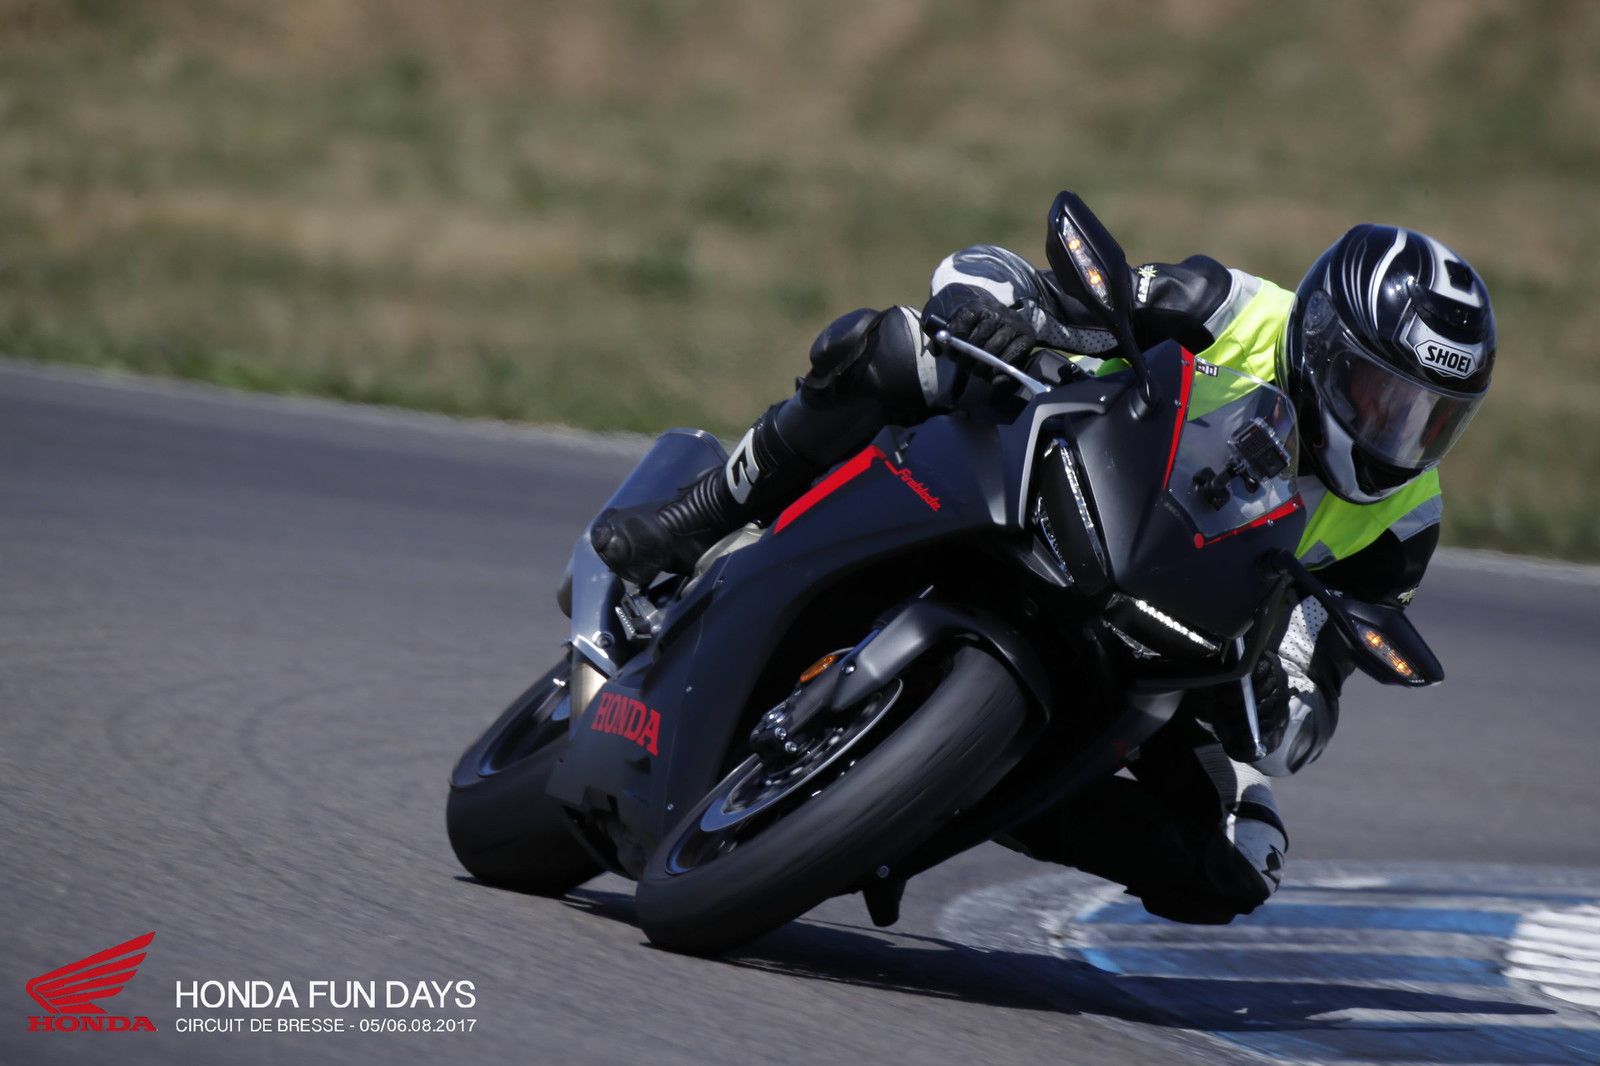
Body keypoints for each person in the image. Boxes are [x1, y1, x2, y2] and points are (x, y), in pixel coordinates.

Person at [590, 199, 1496, 924]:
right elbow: (1029, 284)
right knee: (896, 345)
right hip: (1056, 479)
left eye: (1430, 418)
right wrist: (993, 311)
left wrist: (1278, 692)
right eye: (1381, 397)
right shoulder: (1234, 308)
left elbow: (1313, 686)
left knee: (1240, 862)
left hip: (1173, 634)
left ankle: (950, 792)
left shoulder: (1402, 524)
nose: (1398, 434)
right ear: (1323, 340)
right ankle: (701, 512)